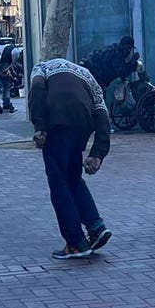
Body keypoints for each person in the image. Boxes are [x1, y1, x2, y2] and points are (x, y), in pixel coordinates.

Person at [28, 58, 114, 260]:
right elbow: (102, 112)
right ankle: (95, 225)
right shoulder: (86, 75)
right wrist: (97, 153)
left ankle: (76, 243)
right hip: (82, 124)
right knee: (73, 178)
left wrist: (39, 127)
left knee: (59, 184)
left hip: (57, 122)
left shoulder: (41, 68)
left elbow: (38, 90)